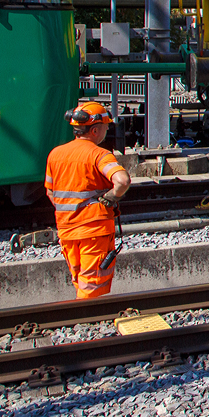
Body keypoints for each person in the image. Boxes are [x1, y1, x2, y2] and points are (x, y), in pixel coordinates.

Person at [44, 102, 130, 298]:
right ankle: (86, 322)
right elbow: (122, 181)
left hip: (66, 231)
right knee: (91, 290)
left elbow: (51, 193)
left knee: (80, 281)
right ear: (94, 130)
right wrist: (110, 198)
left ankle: (83, 321)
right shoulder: (99, 155)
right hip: (93, 232)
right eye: (106, 127)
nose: (107, 131)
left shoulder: (55, 154)